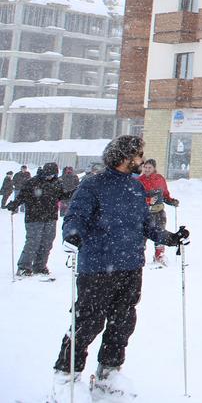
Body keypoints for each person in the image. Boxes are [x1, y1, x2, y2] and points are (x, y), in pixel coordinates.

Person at [52, 136, 189, 398]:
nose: (141, 160)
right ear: (124, 158)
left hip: (130, 266)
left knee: (122, 322)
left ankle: (109, 372)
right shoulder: (93, 185)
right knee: (87, 322)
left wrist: (169, 238)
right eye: (138, 155)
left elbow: (145, 225)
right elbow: (76, 215)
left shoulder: (136, 188)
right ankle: (65, 376)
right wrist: (72, 234)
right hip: (98, 266)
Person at [5, 161, 69, 278]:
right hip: (34, 217)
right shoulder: (33, 182)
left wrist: (75, 193)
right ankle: (24, 267)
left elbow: (62, 195)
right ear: (44, 172)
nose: (50, 177)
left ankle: (40, 266)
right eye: (48, 174)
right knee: (33, 242)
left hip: (50, 217)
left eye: (53, 175)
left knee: (47, 243)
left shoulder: (57, 183)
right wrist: (15, 204)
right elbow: (22, 196)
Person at [137, 159, 179, 266]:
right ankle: (138, 257)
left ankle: (159, 255)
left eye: (149, 168)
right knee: (143, 236)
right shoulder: (139, 181)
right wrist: (147, 201)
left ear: (154, 168)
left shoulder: (160, 179)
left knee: (160, 233)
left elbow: (165, 194)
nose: (146, 170)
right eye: (145, 167)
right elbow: (136, 198)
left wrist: (171, 201)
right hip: (145, 213)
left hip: (159, 212)